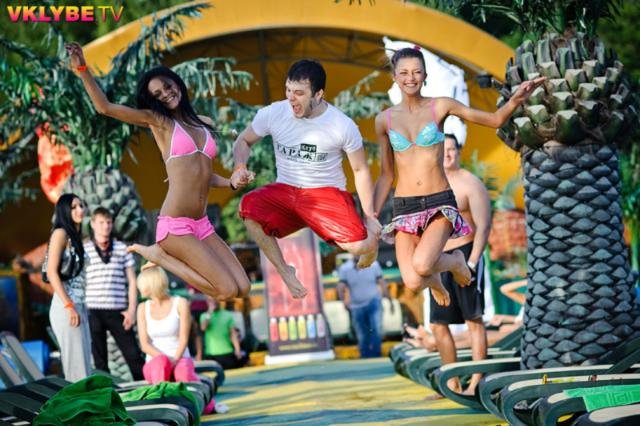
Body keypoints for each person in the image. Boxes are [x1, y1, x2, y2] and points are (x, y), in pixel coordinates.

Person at [65, 42, 250, 301]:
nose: (165, 94)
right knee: (227, 290)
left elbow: (202, 174)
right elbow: (105, 107)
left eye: (167, 86)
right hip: (175, 225)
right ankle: (160, 256)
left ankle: (162, 255)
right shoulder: (160, 122)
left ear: (177, 83)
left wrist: (231, 182)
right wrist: (83, 69)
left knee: (243, 287)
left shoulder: (205, 124)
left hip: (201, 224)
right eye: (157, 94)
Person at [373, 47, 544, 307]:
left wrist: (516, 99)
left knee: (422, 264)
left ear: (425, 75)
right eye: (404, 73)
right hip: (404, 206)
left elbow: (495, 120)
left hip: (438, 202)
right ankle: (436, 281)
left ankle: (454, 261)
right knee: (413, 281)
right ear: (394, 76)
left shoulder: (440, 106)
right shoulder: (383, 120)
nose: (411, 78)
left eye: (417, 72)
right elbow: (386, 175)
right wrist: (371, 214)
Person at [230, 59, 382, 299]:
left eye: (299, 93)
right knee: (248, 207)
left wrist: (370, 217)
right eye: (288, 90)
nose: (291, 99)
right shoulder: (273, 113)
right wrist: (240, 167)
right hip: (287, 190)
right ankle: (285, 270)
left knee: (361, 246)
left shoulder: (342, 125)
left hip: (325, 194)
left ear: (318, 94)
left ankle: (370, 247)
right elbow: (243, 141)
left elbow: (361, 170)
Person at [429, 134, 492, 395]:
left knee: (473, 320)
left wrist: (473, 262)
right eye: (443, 149)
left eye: (452, 149)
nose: (447, 154)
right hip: (439, 259)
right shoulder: (432, 184)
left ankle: (477, 381)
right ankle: (452, 381)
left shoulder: (470, 183)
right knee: (438, 323)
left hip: (466, 256)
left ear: (459, 152)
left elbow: (483, 226)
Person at [84, 207, 145, 380]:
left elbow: (132, 281)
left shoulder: (121, 248)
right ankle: (105, 391)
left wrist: (131, 310)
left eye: (109, 222)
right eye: (101, 222)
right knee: (99, 360)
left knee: (133, 355)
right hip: (93, 310)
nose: (105, 226)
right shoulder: (85, 249)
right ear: (93, 224)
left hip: (117, 310)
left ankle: (146, 387)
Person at [46, 193, 92, 382]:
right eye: (74, 207)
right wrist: (69, 305)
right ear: (65, 211)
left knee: (85, 365)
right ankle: (79, 401)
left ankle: (88, 399)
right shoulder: (60, 233)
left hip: (79, 305)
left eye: (81, 205)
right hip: (66, 306)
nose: (80, 210)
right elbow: (51, 272)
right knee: (76, 368)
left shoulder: (76, 236)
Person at [135, 266, 199, 384]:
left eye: (141, 284)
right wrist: (166, 360)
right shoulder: (142, 308)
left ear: (151, 284)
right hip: (155, 362)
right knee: (161, 363)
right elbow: (144, 345)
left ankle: (196, 389)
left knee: (182, 373)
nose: (139, 287)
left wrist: (174, 360)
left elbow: (184, 340)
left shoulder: (181, 303)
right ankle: (161, 392)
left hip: (180, 358)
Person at [337, 255, 390, 358]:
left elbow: (382, 282)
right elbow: (341, 286)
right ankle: (365, 355)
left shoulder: (373, 264)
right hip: (356, 306)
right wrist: (343, 301)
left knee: (376, 329)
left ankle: (376, 354)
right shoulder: (345, 268)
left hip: (374, 302)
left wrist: (388, 298)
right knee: (361, 333)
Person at [200, 297, 246, 369]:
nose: (213, 302)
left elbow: (233, 334)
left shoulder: (227, 315)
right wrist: (210, 312)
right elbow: (203, 328)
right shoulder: (204, 316)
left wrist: (237, 349)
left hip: (227, 352)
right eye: (210, 301)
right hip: (211, 354)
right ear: (207, 302)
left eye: (215, 300)